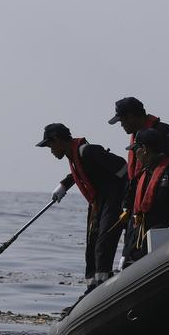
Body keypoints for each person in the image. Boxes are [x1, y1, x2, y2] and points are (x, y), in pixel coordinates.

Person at [107, 97, 169, 267]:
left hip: (164, 206)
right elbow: (133, 180)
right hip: (141, 213)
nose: (121, 125)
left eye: (122, 120)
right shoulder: (142, 161)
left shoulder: (164, 135)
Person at [35, 123, 127, 293]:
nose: (51, 150)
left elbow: (123, 167)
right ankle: (92, 288)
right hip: (97, 202)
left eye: (50, 145)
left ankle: (103, 288)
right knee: (91, 246)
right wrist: (64, 185)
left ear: (57, 140)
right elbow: (79, 171)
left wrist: (127, 198)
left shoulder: (88, 151)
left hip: (114, 199)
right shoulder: (74, 155)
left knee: (103, 243)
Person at [125, 128, 169, 263]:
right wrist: (126, 251)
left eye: (136, 150)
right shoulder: (143, 175)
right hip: (142, 236)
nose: (135, 154)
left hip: (164, 236)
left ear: (145, 149)